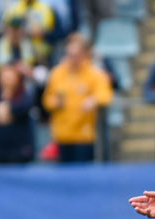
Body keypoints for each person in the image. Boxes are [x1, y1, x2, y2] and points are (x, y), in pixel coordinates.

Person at [42, 32, 112, 163]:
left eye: (76, 55)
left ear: (84, 54)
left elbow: (106, 95)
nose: (72, 58)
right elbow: (47, 100)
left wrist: (93, 100)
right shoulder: (58, 73)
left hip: (83, 137)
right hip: (62, 136)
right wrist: (54, 102)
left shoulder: (93, 74)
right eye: (69, 54)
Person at [0, 64, 34, 164]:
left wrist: (7, 108)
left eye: (11, 77)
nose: (8, 80)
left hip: (19, 151)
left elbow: (24, 108)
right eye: (5, 77)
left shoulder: (24, 95)